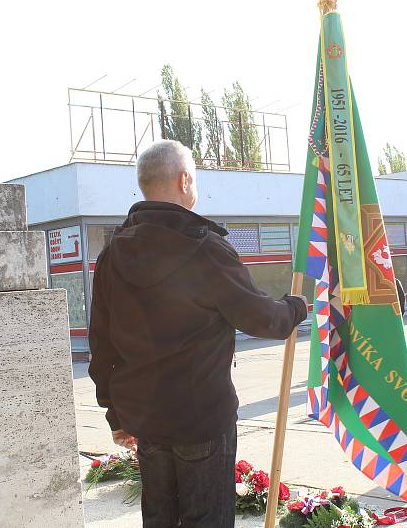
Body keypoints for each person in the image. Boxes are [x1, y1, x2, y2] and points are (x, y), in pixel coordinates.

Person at [88, 140, 308, 526]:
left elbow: (101, 344)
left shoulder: (111, 255)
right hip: (201, 419)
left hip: (147, 421)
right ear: (185, 179)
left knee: (160, 519)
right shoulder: (205, 249)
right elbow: (263, 320)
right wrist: (297, 306)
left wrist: (114, 414)